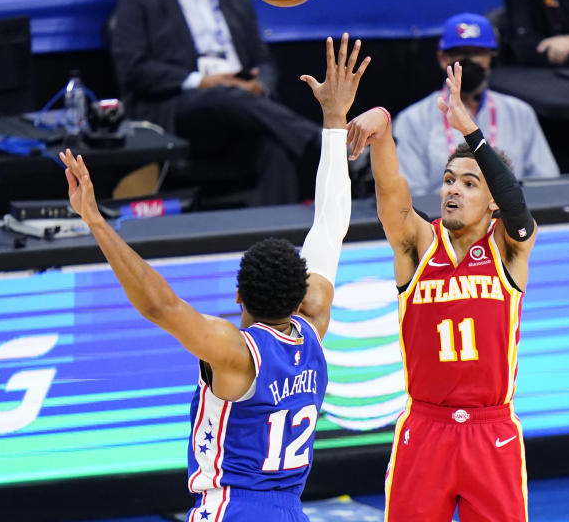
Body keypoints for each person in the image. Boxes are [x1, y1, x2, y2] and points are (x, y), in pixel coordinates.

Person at [62, 34, 368, 521]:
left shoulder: (234, 351)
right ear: (298, 293)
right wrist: (334, 120)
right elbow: (330, 225)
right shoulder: (315, 324)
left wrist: (96, 223)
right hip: (292, 511)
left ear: (239, 294)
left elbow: (160, 306)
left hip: (234, 509)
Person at [346, 62, 537, 521]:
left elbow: (516, 202)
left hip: (491, 431)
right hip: (425, 428)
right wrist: (382, 132)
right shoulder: (418, 243)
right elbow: (392, 192)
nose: (453, 189)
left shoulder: (509, 247)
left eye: (470, 184)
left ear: (492, 200)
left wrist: (468, 129)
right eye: (450, 179)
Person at [111, 0, 322, 206]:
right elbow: (133, 68)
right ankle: (322, 142)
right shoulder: (138, 0)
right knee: (222, 94)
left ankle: (277, 240)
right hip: (182, 109)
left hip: (241, 105)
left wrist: (259, 85)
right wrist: (202, 81)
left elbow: (263, 59)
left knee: (274, 139)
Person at [395, 12, 558, 197]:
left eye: (477, 53)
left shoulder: (519, 113)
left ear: (491, 57)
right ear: (442, 59)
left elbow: (547, 182)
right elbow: (410, 196)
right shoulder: (413, 120)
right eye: (460, 53)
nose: (469, 62)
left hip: (508, 219)